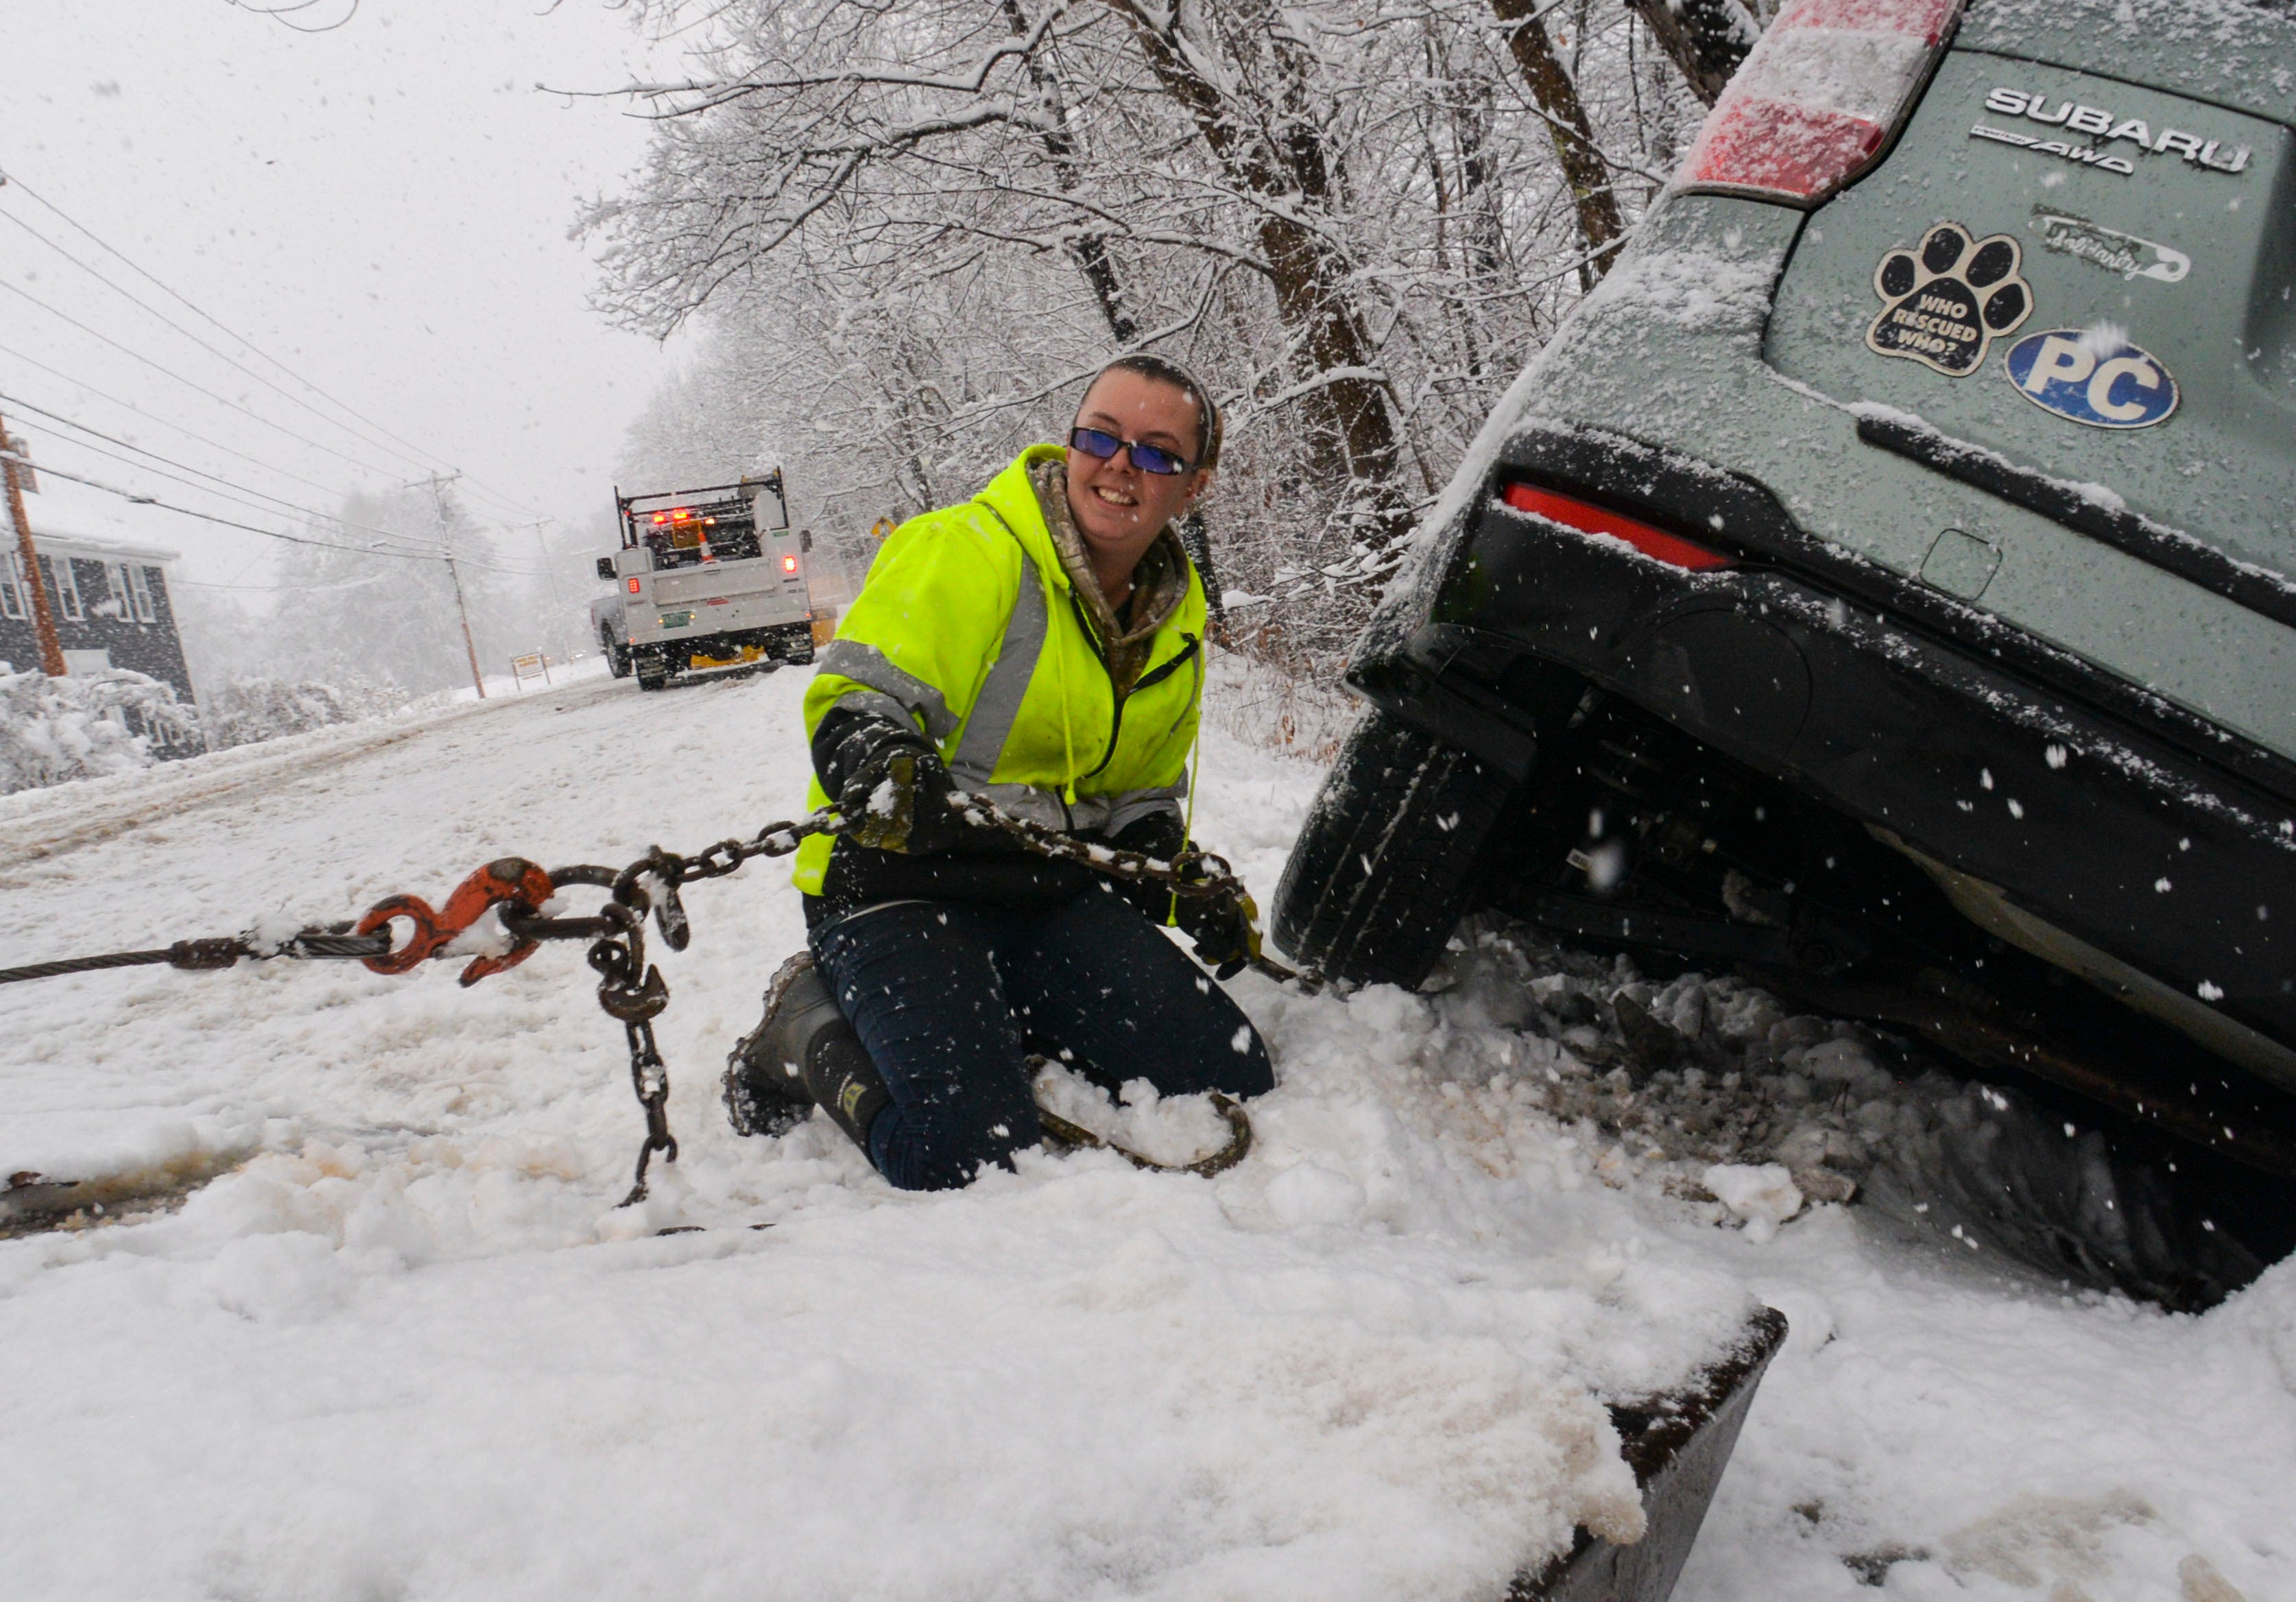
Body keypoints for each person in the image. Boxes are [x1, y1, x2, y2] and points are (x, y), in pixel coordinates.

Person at [724, 355, 1276, 1190]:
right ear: (1071, 442)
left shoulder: (1177, 613)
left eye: (1158, 453)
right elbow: (854, 703)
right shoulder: (967, 550)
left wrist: (1172, 873)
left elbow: (1139, 788)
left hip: (1040, 892)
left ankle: (988, 1013)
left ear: (1192, 486)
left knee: (1232, 1071)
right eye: (1102, 436)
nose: (1122, 465)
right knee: (964, 1152)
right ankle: (801, 1026)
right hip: (897, 885)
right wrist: (890, 769)